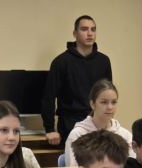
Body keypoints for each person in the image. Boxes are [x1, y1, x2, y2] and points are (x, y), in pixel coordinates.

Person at [42, 15, 113, 146]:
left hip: (98, 123)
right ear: (75, 34)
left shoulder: (103, 61)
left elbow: (108, 96)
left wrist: (108, 121)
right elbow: (49, 97)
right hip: (70, 124)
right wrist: (50, 129)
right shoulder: (61, 62)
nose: (90, 33)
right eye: (84, 29)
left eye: (93, 29)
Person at [63, 79, 134, 167]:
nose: (110, 107)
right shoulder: (77, 135)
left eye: (114, 102)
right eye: (104, 102)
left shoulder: (125, 135)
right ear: (92, 104)